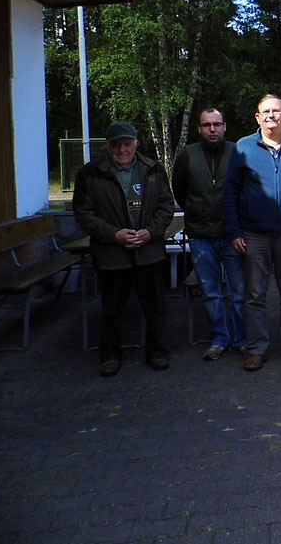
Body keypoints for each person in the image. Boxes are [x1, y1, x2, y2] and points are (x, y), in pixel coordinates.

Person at [73, 121, 174, 377]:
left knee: (154, 306)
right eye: (116, 144)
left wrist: (150, 232)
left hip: (148, 250)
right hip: (112, 254)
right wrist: (113, 235)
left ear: (136, 143)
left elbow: (166, 206)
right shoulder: (90, 173)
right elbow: (83, 213)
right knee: (112, 308)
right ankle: (110, 355)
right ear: (107, 146)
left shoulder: (152, 168)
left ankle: (158, 351)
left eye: (126, 143)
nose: (122, 149)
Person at [223, 95, 281, 372]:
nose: (271, 116)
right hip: (253, 233)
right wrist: (234, 230)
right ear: (257, 117)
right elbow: (230, 193)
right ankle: (257, 348)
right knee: (255, 295)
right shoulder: (243, 148)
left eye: (276, 111)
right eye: (266, 112)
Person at [172, 108, 247, 361]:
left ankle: (242, 339)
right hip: (201, 234)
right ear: (199, 129)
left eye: (216, 124)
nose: (212, 130)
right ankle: (220, 339)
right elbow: (180, 190)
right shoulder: (188, 155)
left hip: (232, 234)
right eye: (206, 125)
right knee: (210, 292)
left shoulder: (238, 151)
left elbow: (246, 188)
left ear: (225, 126)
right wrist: (196, 212)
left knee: (239, 291)